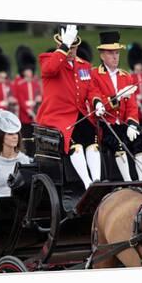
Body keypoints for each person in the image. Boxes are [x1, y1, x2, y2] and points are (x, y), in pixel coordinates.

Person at [36, 24, 105, 189]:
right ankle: (87, 183)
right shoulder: (48, 59)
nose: (72, 51)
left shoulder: (84, 66)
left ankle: (96, 181)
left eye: (74, 47)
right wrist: (64, 47)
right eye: (69, 47)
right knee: (76, 144)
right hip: (58, 117)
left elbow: (91, 89)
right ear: (60, 45)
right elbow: (51, 68)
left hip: (79, 114)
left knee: (92, 139)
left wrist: (97, 101)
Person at [90, 31, 142, 181]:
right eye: (111, 53)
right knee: (118, 144)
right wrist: (116, 98)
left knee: (140, 140)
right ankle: (128, 182)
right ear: (102, 55)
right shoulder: (95, 74)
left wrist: (132, 124)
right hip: (106, 125)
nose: (115, 57)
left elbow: (132, 106)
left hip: (123, 123)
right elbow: (96, 98)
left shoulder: (126, 76)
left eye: (117, 53)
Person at [0, 109, 31, 199]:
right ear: (1, 137)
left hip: (21, 206)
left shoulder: (24, 159)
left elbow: (28, 189)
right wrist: (7, 199)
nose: (15, 136)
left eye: (16, 133)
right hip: (1, 206)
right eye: (10, 134)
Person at [14, 47, 41, 157]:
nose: (29, 72)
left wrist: (37, 102)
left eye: (30, 70)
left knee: (35, 139)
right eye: (27, 70)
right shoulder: (21, 84)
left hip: (35, 115)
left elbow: (39, 94)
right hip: (25, 117)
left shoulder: (35, 83)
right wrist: (30, 112)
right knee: (26, 138)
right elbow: (21, 100)